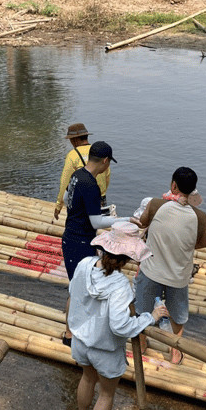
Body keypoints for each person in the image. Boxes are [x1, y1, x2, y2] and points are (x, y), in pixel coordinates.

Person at [68, 222, 168, 410]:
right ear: (127, 259)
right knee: (106, 393)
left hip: (81, 341)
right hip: (104, 348)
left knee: (86, 378)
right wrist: (150, 318)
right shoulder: (121, 285)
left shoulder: (84, 265)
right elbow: (120, 325)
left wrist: (69, 329)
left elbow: (72, 297)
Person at [134, 167, 206, 364]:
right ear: (193, 190)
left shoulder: (156, 204)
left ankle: (142, 344)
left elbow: (142, 224)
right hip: (179, 275)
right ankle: (175, 352)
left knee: (143, 308)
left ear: (173, 185)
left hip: (150, 271)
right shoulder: (201, 217)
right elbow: (201, 244)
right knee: (177, 315)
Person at [61, 141, 132, 343]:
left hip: (69, 236)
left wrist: (79, 212)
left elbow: (67, 199)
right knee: (77, 289)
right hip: (81, 242)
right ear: (105, 161)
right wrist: (124, 220)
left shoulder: (77, 175)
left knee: (75, 286)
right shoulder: (91, 184)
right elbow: (96, 221)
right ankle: (70, 334)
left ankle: (71, 331)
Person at [54, 123, 111, 220]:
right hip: (100, 199)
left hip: (81, 200)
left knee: (81, 226)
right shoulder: (98, 151)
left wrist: (58, 206)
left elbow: (65, 182)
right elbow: (107, 176)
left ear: (74, 139)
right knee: (96, 226)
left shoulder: (73, 155)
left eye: (71, 140)